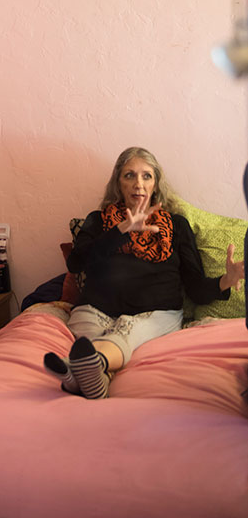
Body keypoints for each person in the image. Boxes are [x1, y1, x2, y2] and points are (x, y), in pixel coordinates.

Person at [44, 146, 245, 399]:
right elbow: (76, 263)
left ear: (156, 184)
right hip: (93, 311)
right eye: (129, 175)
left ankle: (75, 370)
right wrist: (121, 231)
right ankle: (94, 379)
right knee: (94, 339)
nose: (138, 183)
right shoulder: (98, 220)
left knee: (122, 335)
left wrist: (226, 280)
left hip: (156, 316)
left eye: (146, 176)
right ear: (118, 183)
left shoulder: (176, 225)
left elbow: (195, 288)